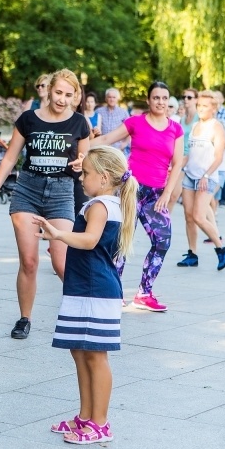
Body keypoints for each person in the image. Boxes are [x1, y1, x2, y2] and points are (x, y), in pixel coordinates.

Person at [36, 146, 137, 445]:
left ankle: (100, 423)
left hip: (95, 290)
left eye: (87, 173)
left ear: (104, 178)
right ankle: (85, 417)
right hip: (84, 288)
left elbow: (90, 240)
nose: (81, 177)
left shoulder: (101, 205)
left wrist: (57, 234)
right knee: (80, 351)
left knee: (95, 355)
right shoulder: (103, 203)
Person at [0, 68, 90, 338]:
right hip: (28, 190)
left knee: (60, 260)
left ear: (74, 96)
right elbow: (9, 159)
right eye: (58, 92)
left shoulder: (79, 123)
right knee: (29, 262)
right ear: (48, 89)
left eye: (68, 95)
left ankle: (85, 309)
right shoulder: (28, 119)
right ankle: (24, 318)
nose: (62, 99)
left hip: (62, 192)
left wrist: (81, 164)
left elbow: (86, 162)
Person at [92, 81, 184, 312]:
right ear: (149, 100)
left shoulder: (175, 129)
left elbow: (177, 163)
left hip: (156, 194)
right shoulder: (136, 123)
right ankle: (114, 291)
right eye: (156, 98)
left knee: (162, 241)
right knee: (122, 240)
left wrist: (167, 193)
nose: (160, 102)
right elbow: (105, 140)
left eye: (164, 98)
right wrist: (80, 149)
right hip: (131, 189)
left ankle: (144, 293)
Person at [176, 90, 225, 269]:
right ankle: (192, 254)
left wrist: (206, 176)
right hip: (190, 176)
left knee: (199, 216)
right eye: (199, 105)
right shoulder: (195, 126)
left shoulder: (216, 127)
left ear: (213, 108)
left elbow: (218, 157)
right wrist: (176, 166)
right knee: (189, 217)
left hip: (207, 178)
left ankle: (221, 249)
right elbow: (189, 154)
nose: (201, 109)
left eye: (205, 106)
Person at [167, 89, 198, 213]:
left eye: (189, 97)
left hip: (193, 159)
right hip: (180, 158)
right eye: (184, 96)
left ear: (196, 100)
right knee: (172, 195)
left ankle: (213, 229)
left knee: (174, 195)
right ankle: (164, 226)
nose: (186, 99)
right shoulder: (183, 118)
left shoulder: (199, 118)